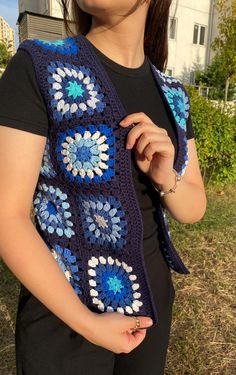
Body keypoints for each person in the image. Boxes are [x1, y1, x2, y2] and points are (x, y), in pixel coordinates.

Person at [0, 0, 207, 374]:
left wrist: (166, 178)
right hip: (64, 322)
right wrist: (89, 323)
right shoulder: (39, 66)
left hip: (150, 313)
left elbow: (194, 207)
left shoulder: (173, 94)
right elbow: (7, 217)